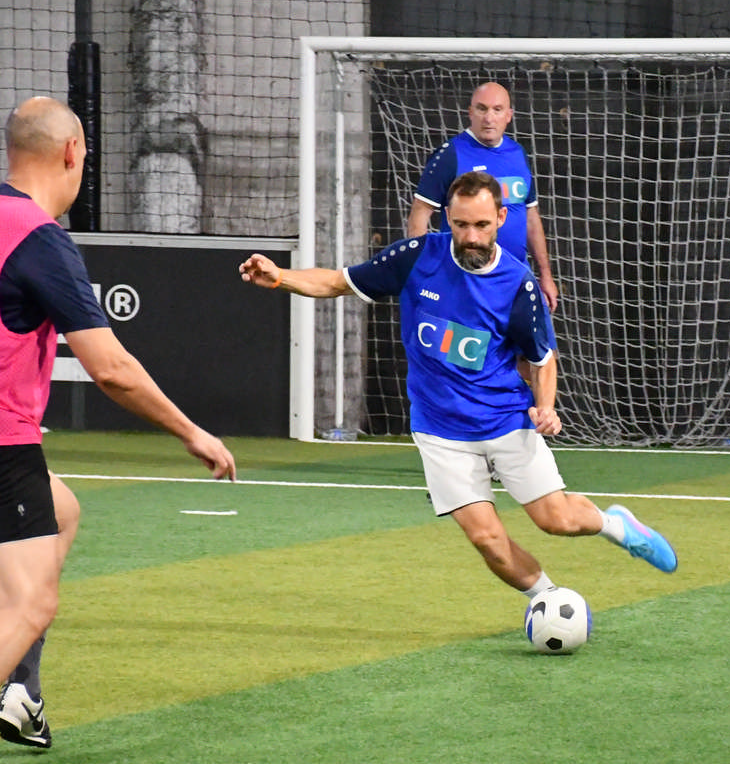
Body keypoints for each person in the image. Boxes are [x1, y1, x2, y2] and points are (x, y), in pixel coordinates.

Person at [0, 96, 236, 764]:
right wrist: (192, 432)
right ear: (72, 154)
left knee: (61, 512)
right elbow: (111, 369)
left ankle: (23, 692)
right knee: (27, 604)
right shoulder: (38, 238)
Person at [241, 169, 675, 604]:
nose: (471, 236)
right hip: (440, 429)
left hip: (505, 420)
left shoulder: (518, 285)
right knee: (487, 539)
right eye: (461, 224)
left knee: (556, 520)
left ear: (501, 219)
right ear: (447, 217)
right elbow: (337, 282)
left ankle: (616, 525)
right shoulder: (416, 257)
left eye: (482, 225)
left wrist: (546, 407)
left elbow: (543, 360)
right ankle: (548, 600)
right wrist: (279, 276)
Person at [407, 82, 560, 312]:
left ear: (509, 115)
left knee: (533, 336)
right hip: (465, 282)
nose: (489, 118)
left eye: (497, 110)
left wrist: (545, 275)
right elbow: (420, 212)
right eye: (482, 109)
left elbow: (531, 217)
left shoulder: (518, 153)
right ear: (470, 112)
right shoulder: (450, 154)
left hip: (514, 280)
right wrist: (424, 270)